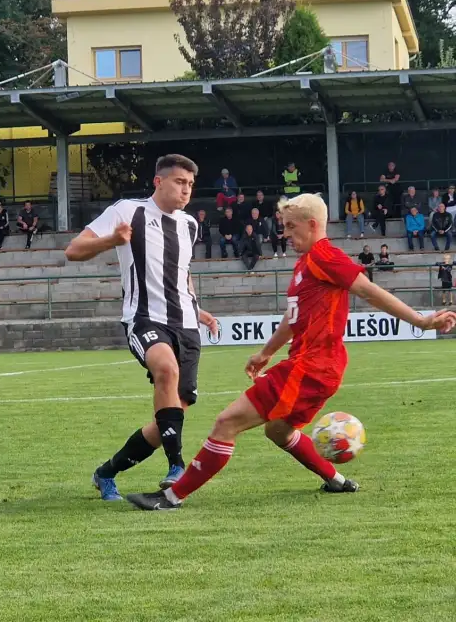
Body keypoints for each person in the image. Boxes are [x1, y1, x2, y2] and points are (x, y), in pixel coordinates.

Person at [126, 193, 456, 511]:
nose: (284, 234)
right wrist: (266, 352)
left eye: (290, 228)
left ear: (312, 225)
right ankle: (336, 479)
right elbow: (292, 317)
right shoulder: (307, 264)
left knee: (226, 422)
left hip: (312, 367)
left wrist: (421, 320)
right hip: (313, 367)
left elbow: (367, 290)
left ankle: (171, 498)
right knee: (278, 430)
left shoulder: (326, 256)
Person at [65, 154, 218, 500]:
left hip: (188, 325)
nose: (186, 190)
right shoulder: (127, 212)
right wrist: (111, 241)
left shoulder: (190, 225)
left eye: (191, 185)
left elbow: (181, 274)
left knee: (168, 419)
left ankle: (106, 473)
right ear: (158, 181)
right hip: (145, 318)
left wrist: (200, 309)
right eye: (180, 182)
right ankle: (176, 464)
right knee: (165, 368)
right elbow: (73, 250)